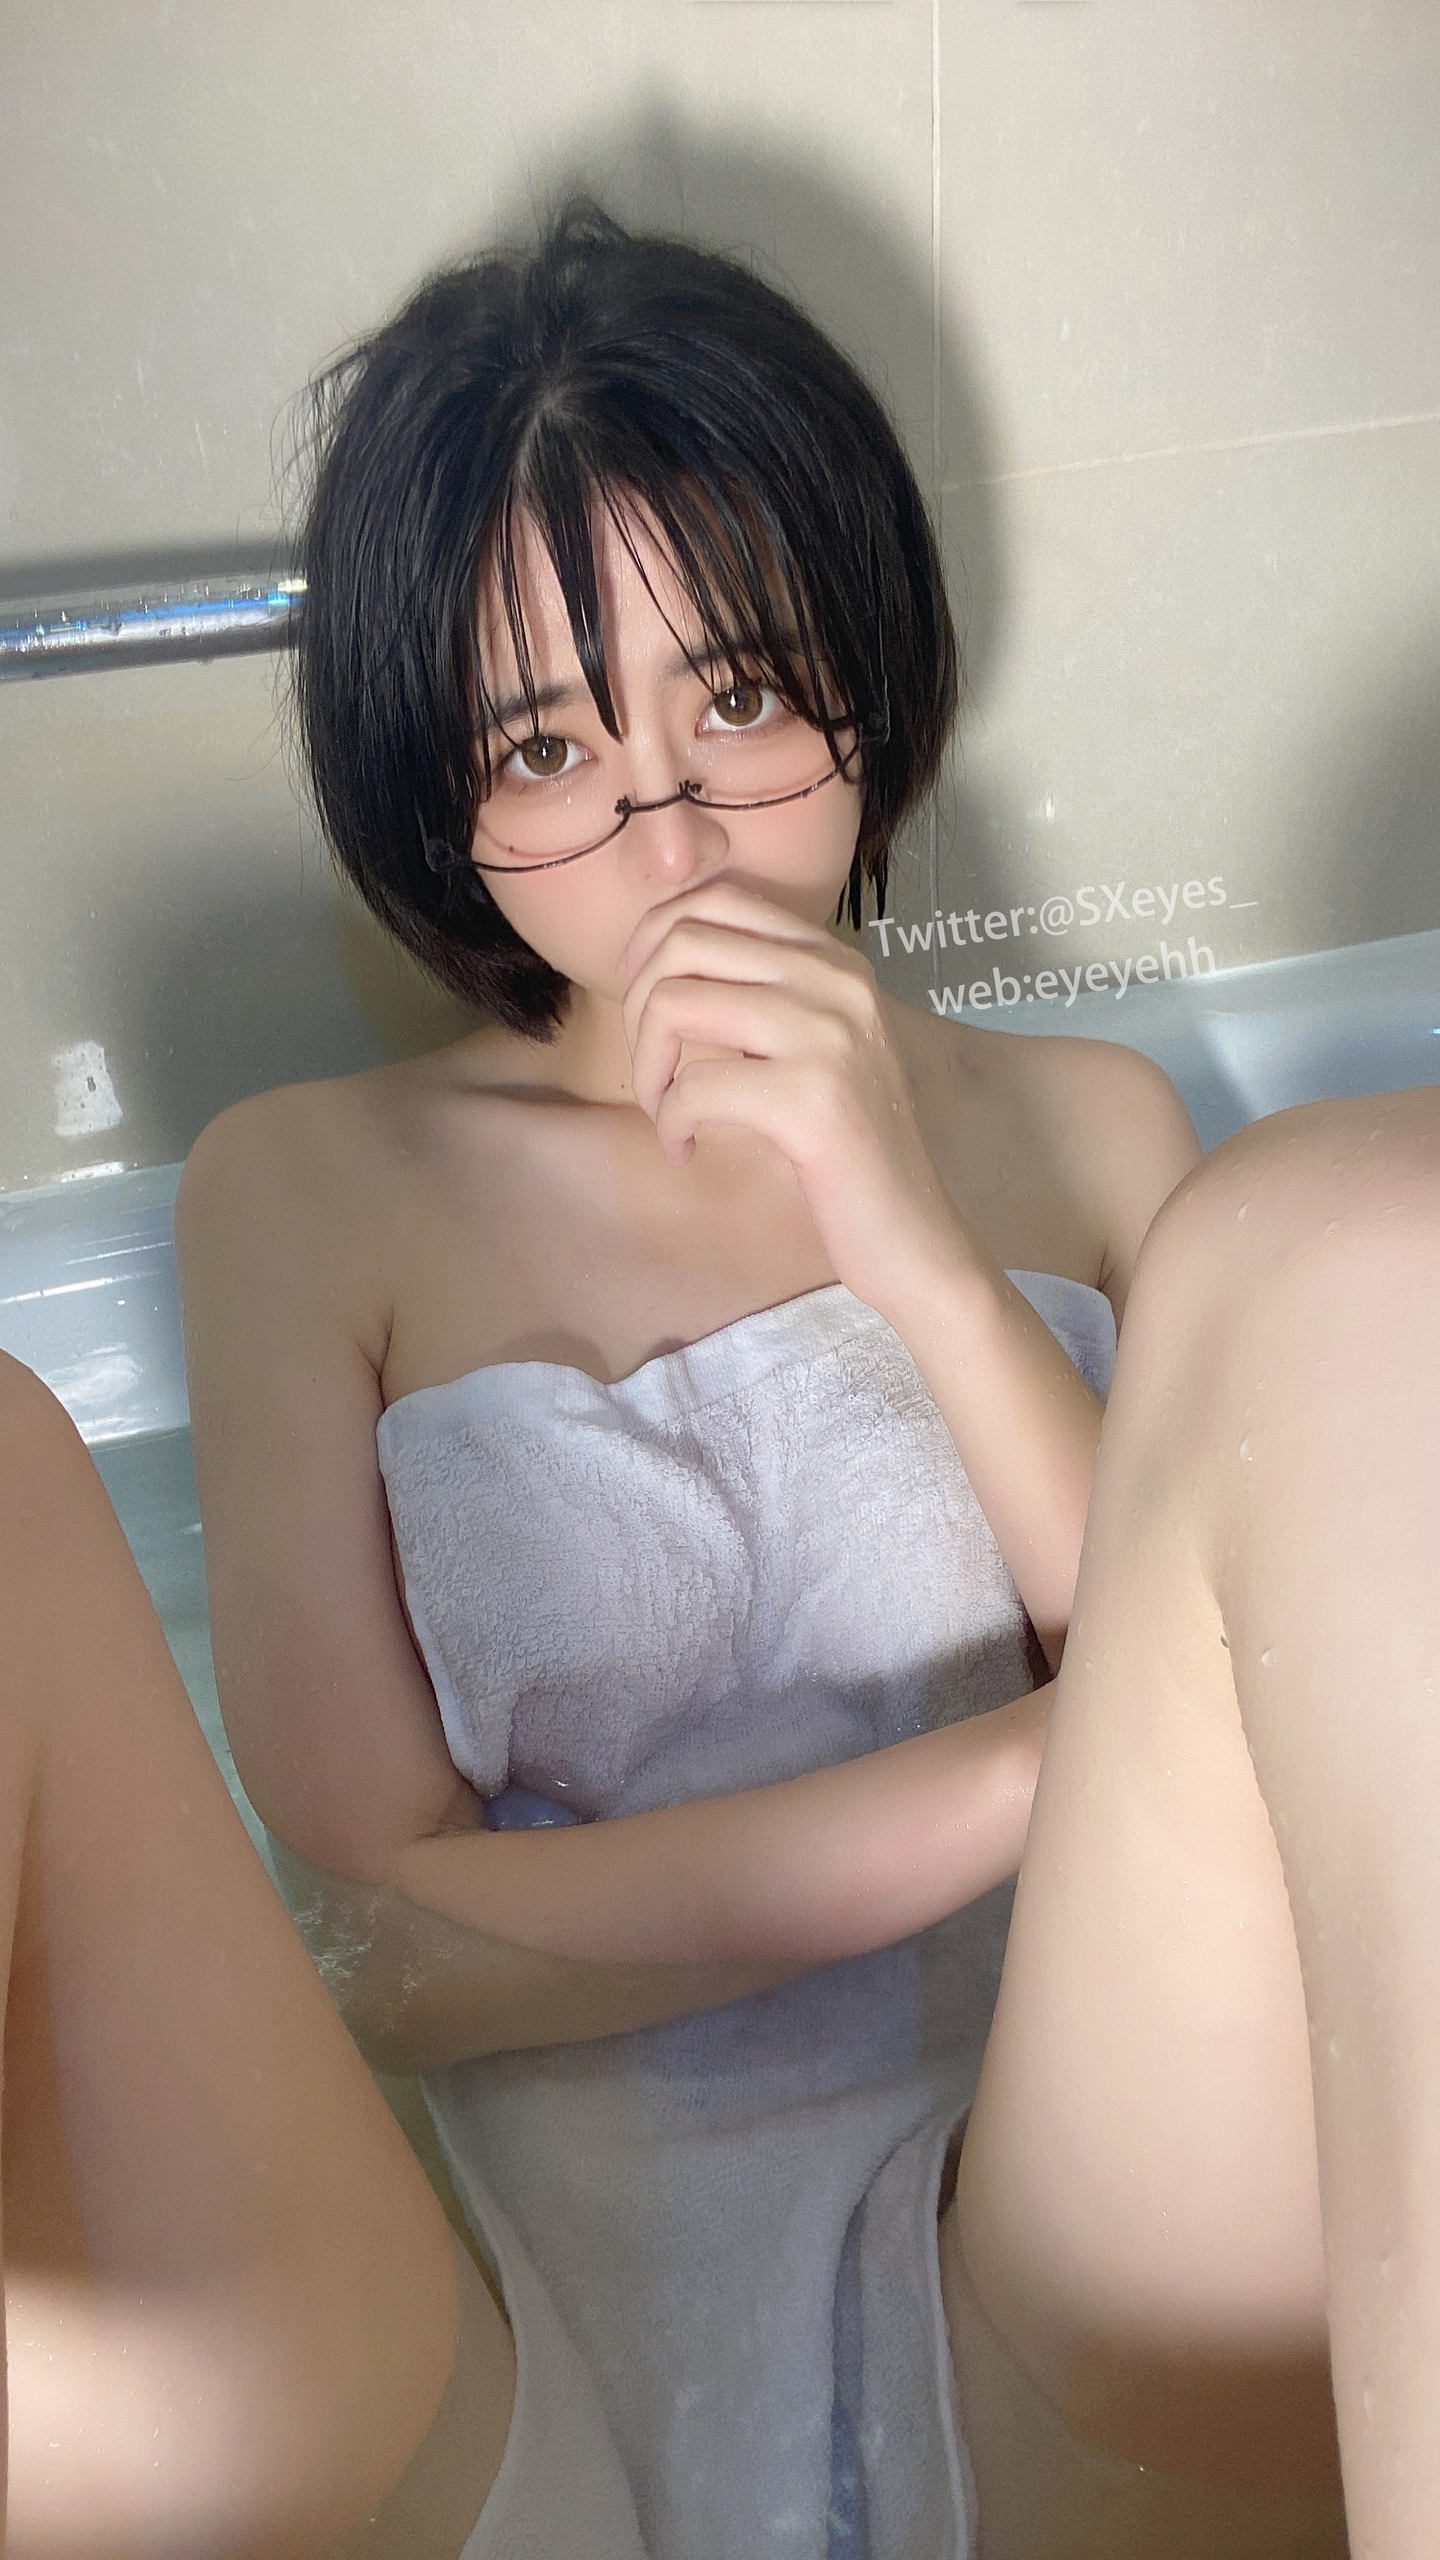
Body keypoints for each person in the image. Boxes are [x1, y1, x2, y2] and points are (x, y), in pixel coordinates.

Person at [165, 198, 1435, 2555]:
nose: (670, 837)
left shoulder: (1089, 1124)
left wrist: (904, 1233)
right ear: (440, 794)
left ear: (862, 664)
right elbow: (391, 1948)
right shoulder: (305, 1191)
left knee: (1376, 1238)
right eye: (549, 745)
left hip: (1072, 2194)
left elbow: (1240, 1708)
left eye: (740, 697)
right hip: (586, 2307)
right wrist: (1040, 1774)